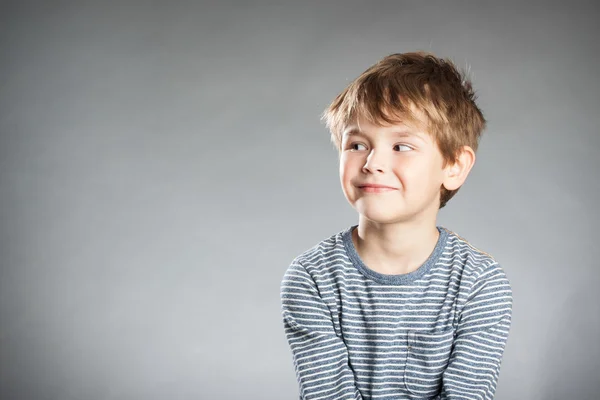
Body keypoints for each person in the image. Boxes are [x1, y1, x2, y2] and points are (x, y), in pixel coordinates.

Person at [280, 52, 513, 400]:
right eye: (357, 144)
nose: (373, 163)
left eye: (401, 146)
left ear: (454, 166)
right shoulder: (311, 277)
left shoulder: (480, 283)